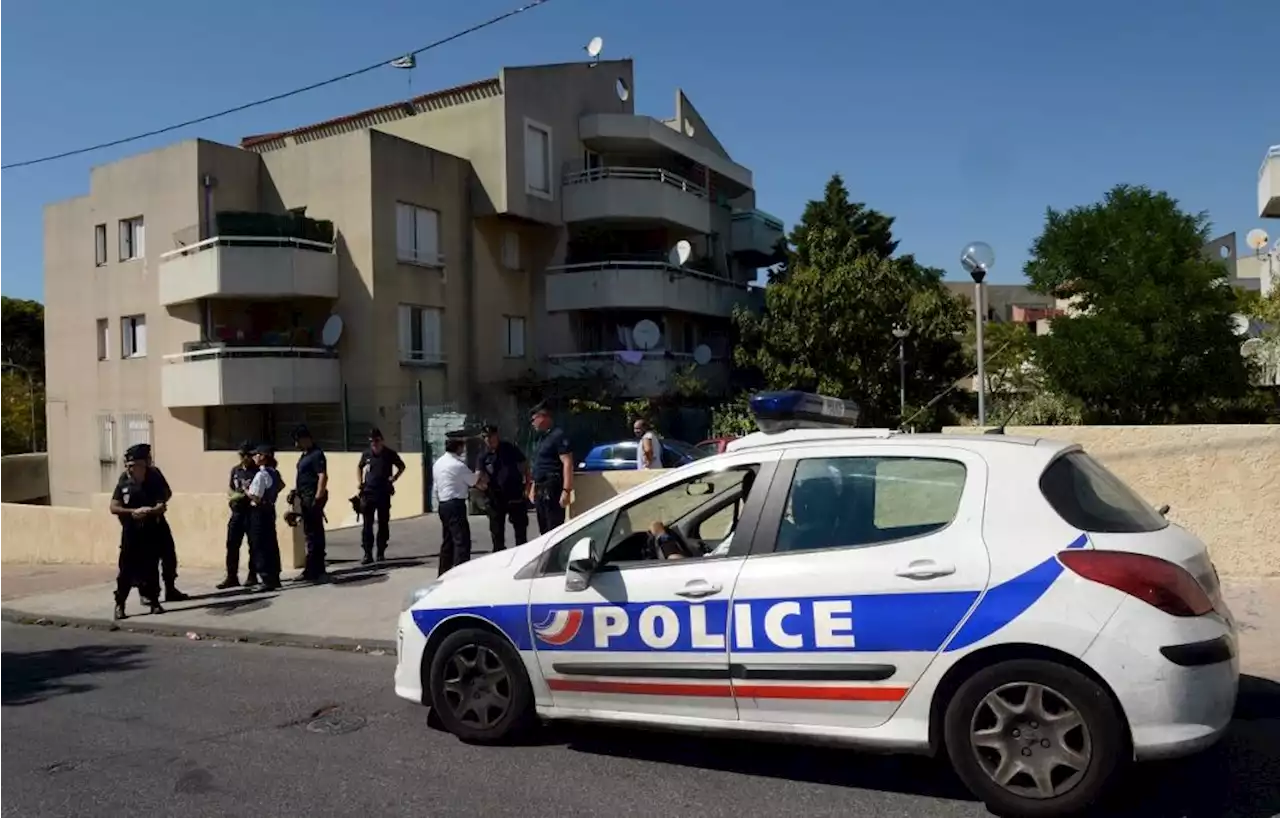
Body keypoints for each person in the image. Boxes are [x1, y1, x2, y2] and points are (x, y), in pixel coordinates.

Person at [116, 444, 188, 602]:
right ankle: (145, 593)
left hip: (157, 521)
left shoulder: (154, 474)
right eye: (147, 457)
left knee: (169, 555)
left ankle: (171, 588)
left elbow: (167, 492)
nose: (150, 460)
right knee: (144, 560)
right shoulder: (126, 478)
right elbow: (116, 504)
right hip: (137, 527)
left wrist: (159, 503)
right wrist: (134, 513)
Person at [109, 444, 166, 620]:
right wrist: (132, 512)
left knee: (151, 566)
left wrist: (149, 510)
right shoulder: (124, 481)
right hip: (131, 531)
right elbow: (114, 506)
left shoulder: (153, 480)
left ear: (143, 465)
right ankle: (120, 604)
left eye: (133, 465)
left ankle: (154, 602)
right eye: (128, 465)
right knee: (126, 569)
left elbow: (161, 504)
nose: (130, 468)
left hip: (150, 529)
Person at [433, 435, 486, 575]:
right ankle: (460, 573)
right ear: (458, 447)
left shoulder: (438, 463)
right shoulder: (458, 465)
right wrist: (480, 473)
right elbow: (473, 481)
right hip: (455, 504)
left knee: (448, 541)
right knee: (461, 541)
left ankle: (443, 572)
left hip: (443, 504)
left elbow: (436, 487)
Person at [356, 427, 406, 565]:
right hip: (368, 493)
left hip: (383, 493)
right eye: (372, 441)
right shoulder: (366, 454)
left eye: (377, 441)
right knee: (367, 525)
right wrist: (360, 482)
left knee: (383, 523)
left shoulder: (389, 454)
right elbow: (359, 467)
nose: (374, 444)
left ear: (382, 440)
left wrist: (394, 478)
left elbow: (402, 466)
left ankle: (381, 552)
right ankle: (367, 553)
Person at [479, 423, 530, 552]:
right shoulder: (483, 456)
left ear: (497, 436)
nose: (488, 439)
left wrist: (528, 485)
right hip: (495, 498)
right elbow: (480, 475)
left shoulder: (509, 448)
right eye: (485, 437)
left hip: (514, 494)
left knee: (520, 529)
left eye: (491, 436)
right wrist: (481, 485)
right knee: (496, 532)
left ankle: (522, 554)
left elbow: (525, 465)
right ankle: (499, 555)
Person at [217, 442, 258, 589]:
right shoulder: (236, 470)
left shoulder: (257, 471)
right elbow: (231, 489)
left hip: (251, 511)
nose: (245, 458)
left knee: (253, 545)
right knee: (232, 544)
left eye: (248, 455)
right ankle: (231, 576)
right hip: (237, 511)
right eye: (243, 455)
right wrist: (234, 496)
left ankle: (253, 575)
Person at [529, 403, 574, 535]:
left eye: (534, 419)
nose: (532, 423)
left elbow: (567, 462)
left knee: (553, 528)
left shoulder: (558, 435)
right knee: (543, 527)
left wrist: (566, 490)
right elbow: (538, 465)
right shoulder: (543, 438)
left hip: (552, 486)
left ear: (543, 417)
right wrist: (533, 487)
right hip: (540, 487)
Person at [245, 444, 285, 591]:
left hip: (259, 511)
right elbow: (281, 485)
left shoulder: (261, 474)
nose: (254, 457)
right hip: (270, 509)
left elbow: (256, 497)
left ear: (263, 456)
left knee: (259, 545)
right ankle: (274, 576)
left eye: (256, 454)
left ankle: (266, 577)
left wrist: (246, 492)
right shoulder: (274, 472)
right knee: (271, 544)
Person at [292, 424, 329, 583]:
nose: (296, 444)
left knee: (315, 535)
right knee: (309, 534)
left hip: (311, 498)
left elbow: (322, 476)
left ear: (306, 439)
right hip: (304, 497)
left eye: (298, 440)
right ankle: (311, 569)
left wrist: (318, 498)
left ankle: (317, 570)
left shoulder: (316, 454)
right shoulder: (304, 455)